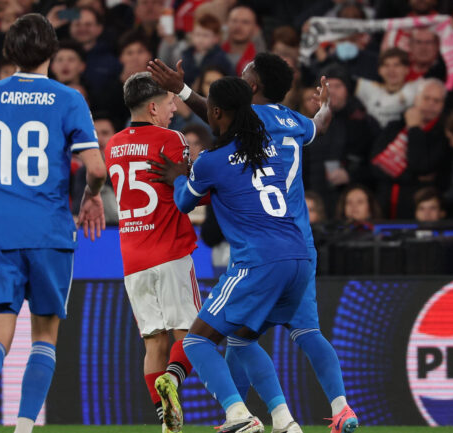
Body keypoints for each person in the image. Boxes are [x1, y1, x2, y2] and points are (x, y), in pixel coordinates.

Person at [148, 53, 358, 433]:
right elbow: (319, 125)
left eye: (245, 73)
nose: (241, 75)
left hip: (258, 252)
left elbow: (217, 119)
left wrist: (182, 95)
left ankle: (240, 415)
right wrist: (326, 107)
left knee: (201, 340)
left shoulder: (240, 132)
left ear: (252, 87)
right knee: (266, 337)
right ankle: (302, 416)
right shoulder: (289, 124)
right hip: (299, 245)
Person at [0, 14, 107, 433]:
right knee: (44, 338)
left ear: (8, 51)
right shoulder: (69, 99)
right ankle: (23, 427)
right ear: (52, 50)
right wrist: (91, 196)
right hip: (50, 231)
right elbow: (96, 168)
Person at [104, 72, 198, 433]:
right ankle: (172, 380)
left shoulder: (113, 145)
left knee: (153, 343)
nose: (175, 108)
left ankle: (166, 423)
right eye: (170, 102)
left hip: (133, 258)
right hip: (170, 250)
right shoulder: (171, 139)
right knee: (192, 336)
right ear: (154, 107)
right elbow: (191, 192)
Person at [305, 64, 380, 219]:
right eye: (327, 86)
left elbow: (377, 167)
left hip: (352, 205)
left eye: (338, 86)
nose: (332, 91)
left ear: (348, 90)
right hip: (314, 205)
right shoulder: (307, 124)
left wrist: (351, 175)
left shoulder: (365, 123)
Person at [371, 78, 451, 219]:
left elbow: (420, 165)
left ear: (443, 105)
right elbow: (374, 165)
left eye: (436, 101)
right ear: (416, 99)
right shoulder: (394, 126)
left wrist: (414, 128)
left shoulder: (444, 135)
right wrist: (413, 177)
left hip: (417, 210)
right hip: (384, 206)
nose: (431, 104)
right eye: (426, 98)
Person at [355, 48, 422, 128]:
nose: (391, 70)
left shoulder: (417, 89)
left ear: (406, 70)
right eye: (386, 65)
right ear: (379, 70)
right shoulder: (369, 87)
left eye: (396, 65)